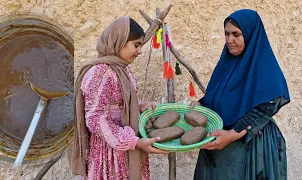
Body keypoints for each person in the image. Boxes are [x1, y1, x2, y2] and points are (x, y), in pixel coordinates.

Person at [191, 9, 290, 180]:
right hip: (220, 142)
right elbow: (221, 95)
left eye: (236, 34)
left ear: (251, 35)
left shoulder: (264, 67)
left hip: (251, 145)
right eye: (227, 34)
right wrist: (202, 104)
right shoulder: (227, 63)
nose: (230, 40)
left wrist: (232, 134)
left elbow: (268, 104)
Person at [69, 16, 167, 180]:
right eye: (136, 45)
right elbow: (95, 119)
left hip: (127, 148)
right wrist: (134, 142)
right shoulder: (100, 72)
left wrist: (140, 107)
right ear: (119, 41)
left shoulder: (122, 69)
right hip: (109, 155)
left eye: (141, 46)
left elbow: (122, 103)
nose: (140, 51)